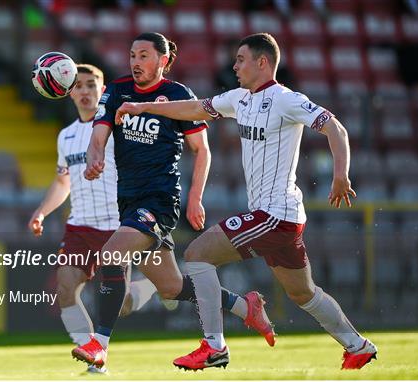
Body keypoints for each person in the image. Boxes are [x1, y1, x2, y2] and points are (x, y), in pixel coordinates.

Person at [115, 32, 378, 371]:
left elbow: (336, 129)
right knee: (303, 294)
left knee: (197, 255)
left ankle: (214, 346)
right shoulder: (239, 98)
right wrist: (143, 105)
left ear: (262, 62)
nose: (234, 66)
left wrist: (340, 174)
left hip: (275, 215)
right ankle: (358, 345)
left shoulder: (286, 99)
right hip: (277, 217)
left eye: (240, 60)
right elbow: (196, 108)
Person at [72, 32, 276, 372]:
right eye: (132, 55)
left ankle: (99, 344)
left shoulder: (178, 96)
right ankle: (245, 306)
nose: (135, 62)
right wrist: (95, 158)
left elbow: (202, 150)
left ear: (163, 60)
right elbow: (99, 134)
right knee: (171, 287)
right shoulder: (116, 89)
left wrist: (195, 198)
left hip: (159, 202)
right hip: (129, 201)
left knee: (110, 254)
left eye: (143, 56)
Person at [28, 64, 168, 374]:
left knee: (124, 304)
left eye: (92, 85)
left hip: (116, 225)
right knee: (66, 288)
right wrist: (42, 211)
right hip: (79, 224)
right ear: (68, 90)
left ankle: (146, 289)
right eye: (78, 85)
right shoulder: (66, 137)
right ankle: (93, 353)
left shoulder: (118, 130)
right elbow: (62, 181)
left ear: (102, 91)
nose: (85, 91)